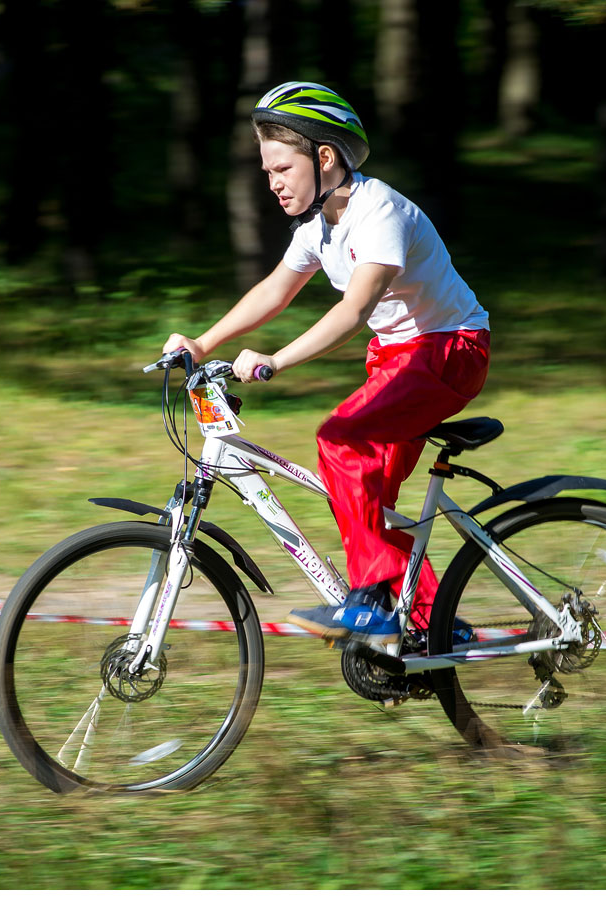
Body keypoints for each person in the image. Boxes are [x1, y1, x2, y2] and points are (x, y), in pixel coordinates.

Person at [162, 81, 490, 651]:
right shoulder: (319, 226)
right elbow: (276, 290)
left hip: (448, 349)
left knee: (338, 440)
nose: (273, 183)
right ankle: (433, 626)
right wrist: (203, 342)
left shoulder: (378, 212)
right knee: (363, 500)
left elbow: (354, 311)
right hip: (397, 358)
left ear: (325, 158)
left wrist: (275, 360)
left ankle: (371, 604)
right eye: (267, 172)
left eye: (282, 169)